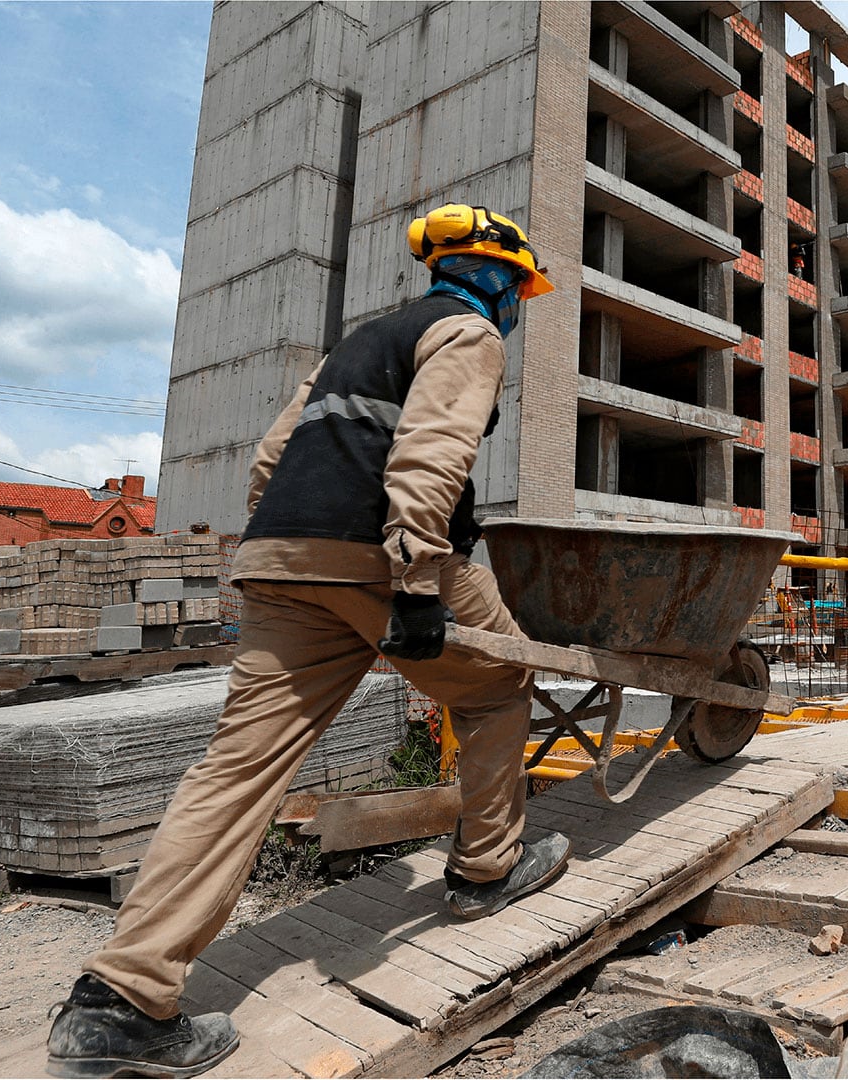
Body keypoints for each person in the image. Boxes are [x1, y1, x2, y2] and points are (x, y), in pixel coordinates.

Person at [46, 204, 571, 1079]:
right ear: (496, 277)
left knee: (237, 768)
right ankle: (485, 870)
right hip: (384, 560)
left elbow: (268, 460)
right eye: (519, 287)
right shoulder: (471, 335)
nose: (519, 303)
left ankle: (119, 1002)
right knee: (496, 687)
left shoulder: (357, 344)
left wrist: (293, 546)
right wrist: (410, 584)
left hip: (286, 557)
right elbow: (430, 454)